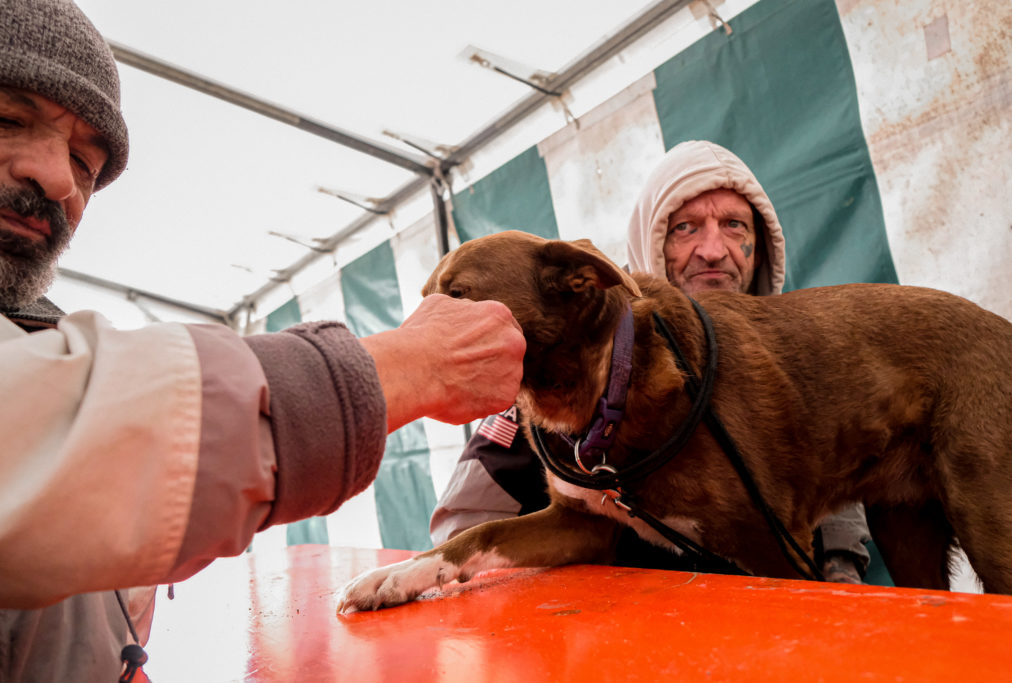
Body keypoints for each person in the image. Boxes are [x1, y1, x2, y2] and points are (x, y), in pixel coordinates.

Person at [0, 1, 525, 680]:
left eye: (85, 160)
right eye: (9, 118)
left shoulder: (35, 328)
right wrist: (398, 367)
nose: (59, 178)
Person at [430, 139, 873, 584]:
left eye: (735, 225)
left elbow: (835, 489)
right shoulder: (573, 360)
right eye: (686, 228)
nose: (714, 249)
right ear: (652, 240)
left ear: (760, 245)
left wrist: (841, 572)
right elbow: (466, 518)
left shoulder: (797, 360)